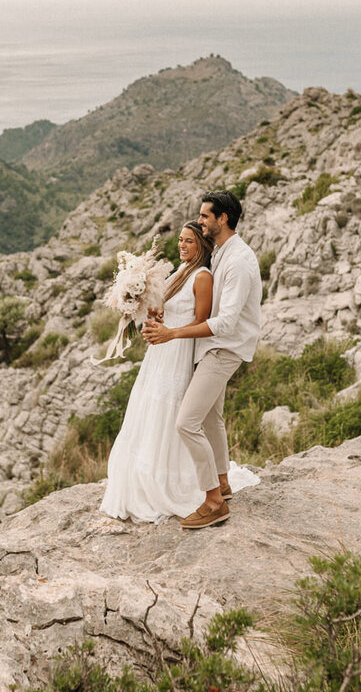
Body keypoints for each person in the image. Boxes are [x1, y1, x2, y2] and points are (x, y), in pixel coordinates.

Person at [143, 190, 262, 529]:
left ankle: (213, 502)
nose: (200, 222)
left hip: (225, 348)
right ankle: (222, 483)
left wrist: (172, 334)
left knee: (186, 423)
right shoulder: (224, 252)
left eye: (205, 216)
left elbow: (225, 321)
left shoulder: (239, 261)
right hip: (214, 346)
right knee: (211, 419)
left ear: (223, 218)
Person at [99, 222, 214, 523]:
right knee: (147, 406)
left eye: (189, 241)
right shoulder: (179, 272)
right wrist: (143, 308)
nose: (182, 245)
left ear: (202, 244)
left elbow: (202, 325)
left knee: (169, 409)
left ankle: (171, 479)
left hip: (177, 351)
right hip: (159, 351)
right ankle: (142, 474)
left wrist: (170, 331)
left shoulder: (202, 277)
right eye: (180, 240)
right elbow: (167, 309)